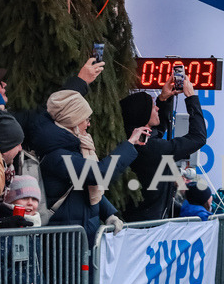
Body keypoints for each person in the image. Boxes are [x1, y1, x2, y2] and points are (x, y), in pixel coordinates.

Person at [37, 90, 148, 239]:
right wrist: (129, 143)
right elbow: (99, 174)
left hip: (81, 236)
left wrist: (109, 214)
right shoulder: (58, 156)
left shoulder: (77, 148)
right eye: (86, 119)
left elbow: (87, 189)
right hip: (65, 243)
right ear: (73, 121)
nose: (89, 124)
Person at [119, 75, 207, 221]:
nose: (157, 108)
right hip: (146, 227)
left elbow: (156, 133)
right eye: (153, 106)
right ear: (143, 116)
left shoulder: (134, 139)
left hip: (139, 220)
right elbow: (198, 138)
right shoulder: (152, 148)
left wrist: (163, 99)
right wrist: (191, 98)